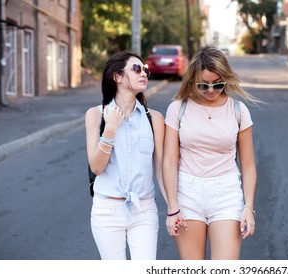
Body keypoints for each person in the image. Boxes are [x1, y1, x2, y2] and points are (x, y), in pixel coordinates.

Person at [163, 46, 259, 259]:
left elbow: (249, 165)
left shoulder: (238, 111)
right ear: (192, 80)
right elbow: (169, 162)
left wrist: (249, 207)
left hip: (226, 194)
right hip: (187, 195)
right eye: (203, 85)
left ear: (226, 79)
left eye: (218, 84)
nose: (210, 90)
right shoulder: (178, 109)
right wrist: (172, 207)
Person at [85, 50, 166, 260]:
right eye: (137, 69)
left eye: (145, 70)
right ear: (117, 76)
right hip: (107, 211)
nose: (144, 74)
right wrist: (110, 130)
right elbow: (96, 168)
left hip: (144, 209)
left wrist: (174, 208)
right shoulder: (96, 115)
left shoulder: (154, 118)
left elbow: (161, 169)